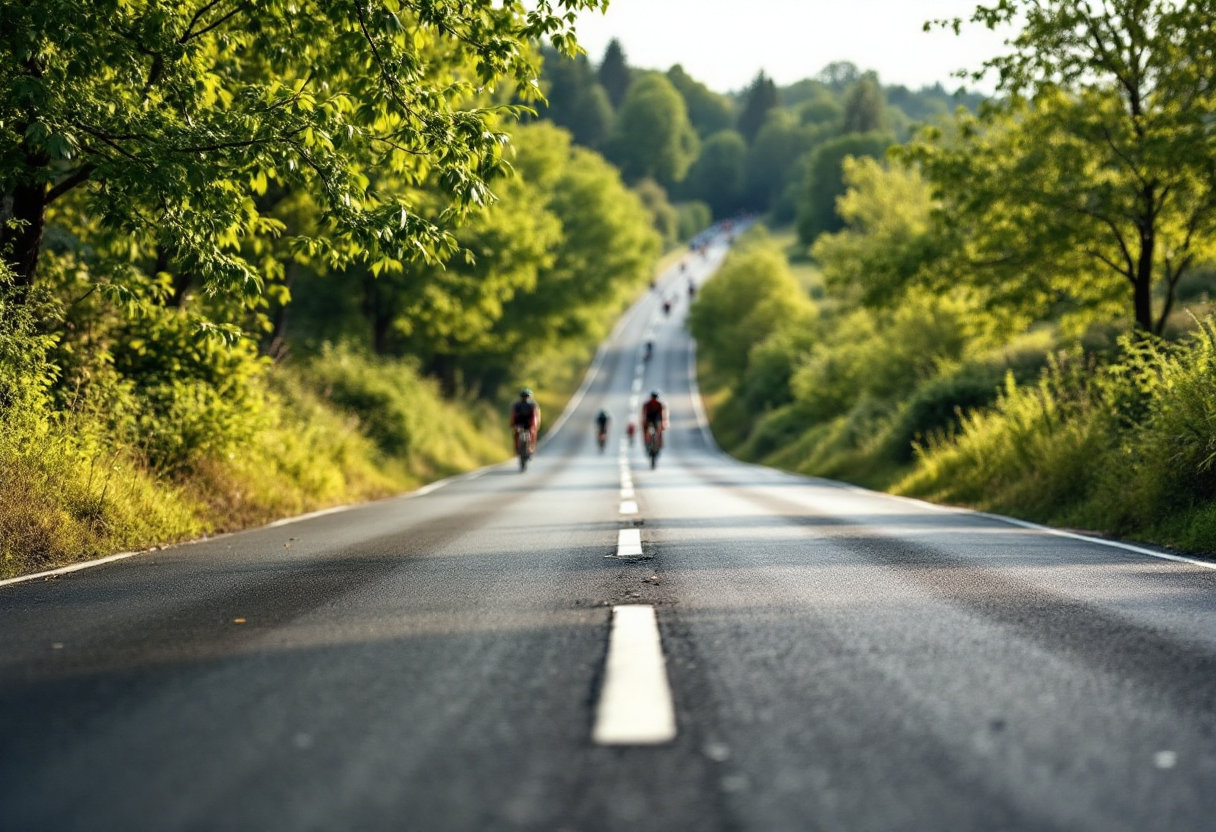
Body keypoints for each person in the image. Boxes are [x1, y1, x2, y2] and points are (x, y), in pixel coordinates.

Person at [510, 388, 540, 453]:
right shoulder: (517, 405)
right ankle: (517, 448)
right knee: (516, 433)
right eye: (524, 396)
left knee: (533, 432)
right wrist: (513, 425)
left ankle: (531, 447)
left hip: (529, 423)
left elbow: (535, 416)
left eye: (527, 396)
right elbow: (513, 415)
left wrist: (535, 425)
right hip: (520, 422)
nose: (526, 398)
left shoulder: (533, 405)